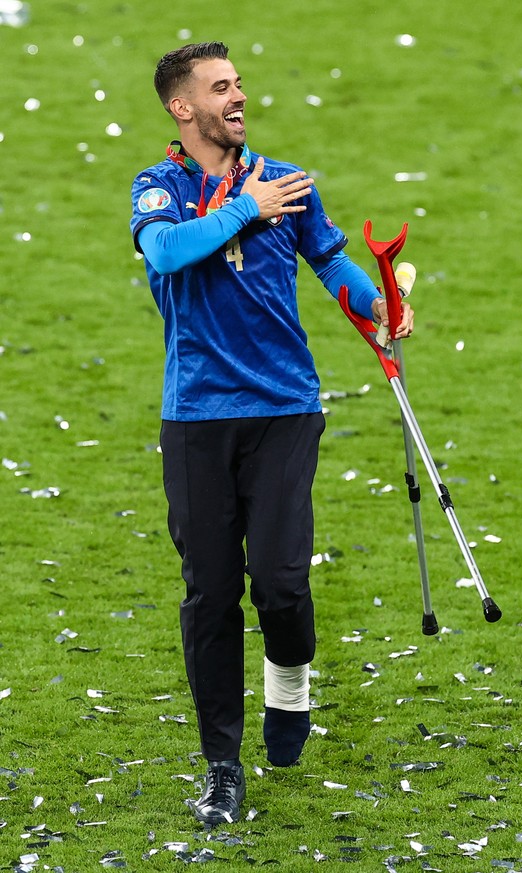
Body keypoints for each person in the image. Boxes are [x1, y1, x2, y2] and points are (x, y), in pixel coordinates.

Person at [130, 41, 414, 826]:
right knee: (210, 594)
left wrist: (379, 310)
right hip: (196, 418)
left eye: (239, 83)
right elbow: (166, 253)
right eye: (219, 88)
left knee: (282, 583)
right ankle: (223, 767)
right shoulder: (160, 189)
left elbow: (332, 264)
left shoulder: (286, 182)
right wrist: (242, 209)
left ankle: (289, 681)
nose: (237, 96)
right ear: (181, 108)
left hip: (286, 408)